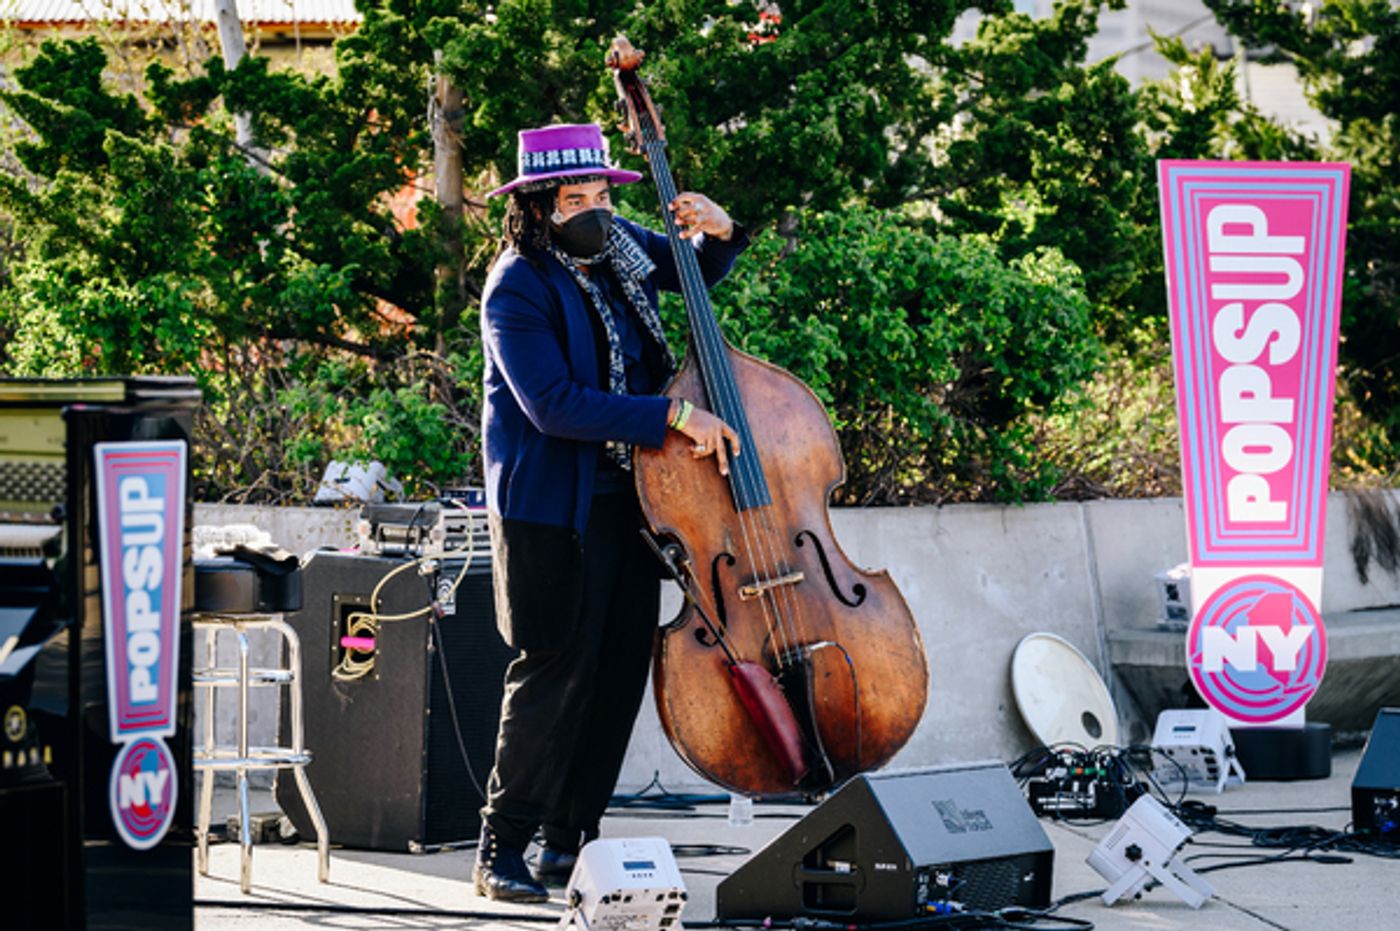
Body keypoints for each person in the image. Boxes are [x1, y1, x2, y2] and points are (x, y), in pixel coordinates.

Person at [475, 122, 748, 902]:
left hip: (632, 504)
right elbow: (554, 404)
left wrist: (721, 232)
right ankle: (500, 848)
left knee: (617, 675)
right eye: (575, 199)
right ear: (536, 206)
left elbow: (695, 276)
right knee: (552, 675)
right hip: (549, 512)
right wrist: (671, 418)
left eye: (601, 194)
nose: (595, 210)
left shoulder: (618, 247)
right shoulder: (517, 284)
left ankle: (569, 843)